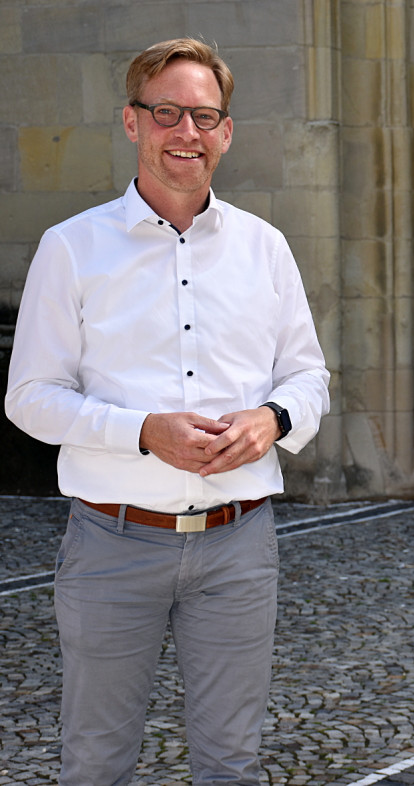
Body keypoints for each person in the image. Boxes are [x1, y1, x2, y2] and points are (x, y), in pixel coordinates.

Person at [5, 38, 330, 784]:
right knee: (96, 760)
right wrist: (144, 433)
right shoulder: (72, 248)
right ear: (131, 123)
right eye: (167, 113)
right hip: (112, 544)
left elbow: (309, 376)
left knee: (232, 762)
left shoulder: (266, 247)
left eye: (205, 116)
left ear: (226, 132)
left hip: (239, 545)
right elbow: (29, 398)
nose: (187, 132)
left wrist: (273, 420)